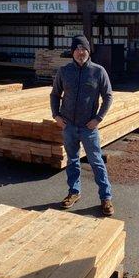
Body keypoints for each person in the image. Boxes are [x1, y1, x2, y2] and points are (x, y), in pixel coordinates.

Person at [50, 35, 115, 216]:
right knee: (72, 160)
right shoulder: (64, 71)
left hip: (89, 127)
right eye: (77, 49)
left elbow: (108, 96)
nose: (80, 52)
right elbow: (55, 94)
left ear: (88, 51)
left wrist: (98, 118)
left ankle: (106, 197)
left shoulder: (98, 71)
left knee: (96, 162)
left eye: (84, 49)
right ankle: (74, 192)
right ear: (72, 52)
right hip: (69, 126)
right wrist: (56, 115)